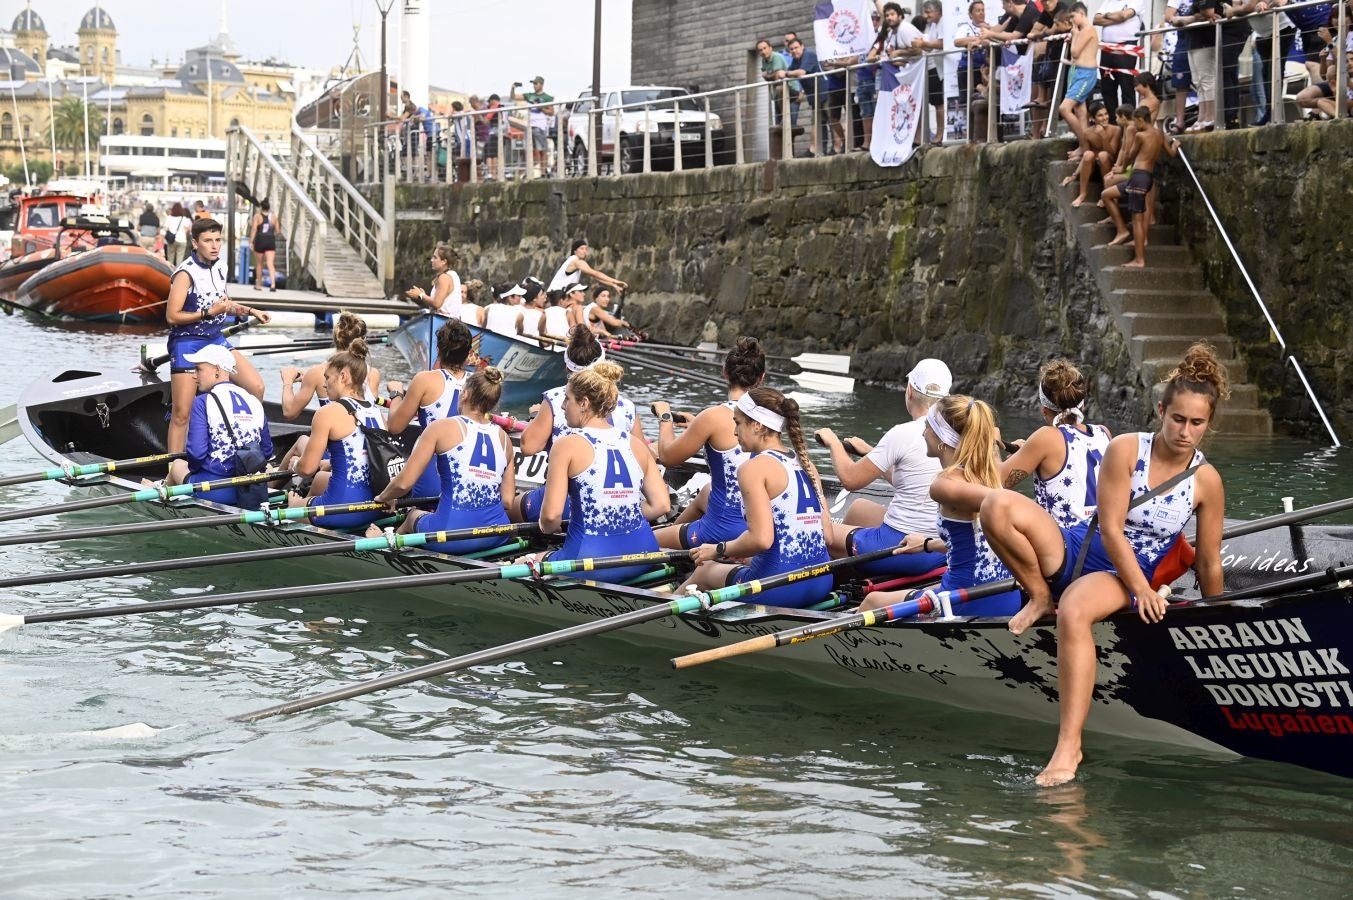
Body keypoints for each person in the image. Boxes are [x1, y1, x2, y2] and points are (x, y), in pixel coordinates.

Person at [980, 344, 1228, 786]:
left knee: (1074, 609)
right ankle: (1038, 594)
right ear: (1160, 410)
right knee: (997, 505)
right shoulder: (1126, 448)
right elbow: (1111, 529)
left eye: (1197, 423)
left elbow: (1208, 562)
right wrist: (1148, 592)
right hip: (1084, 545)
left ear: (1209, 423)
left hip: (1123, 574)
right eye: (1177, 419)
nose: (1185, 431)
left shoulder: (1207, 481)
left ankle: (1068, 746)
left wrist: (1220, 621)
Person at [856, 394, 1023, 616]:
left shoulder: (945, 485)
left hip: (963, 603)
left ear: (942, 438)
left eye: (927, 428)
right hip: (1004, 596)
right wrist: (928, 544)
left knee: (871, 601)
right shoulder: (988, 477)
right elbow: (976, 542)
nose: (924, 434)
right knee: (927, 588)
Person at [683, 388, 834, 608]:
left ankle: (662, 624)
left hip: (776, 587)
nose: (735, 432)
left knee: (705, 570)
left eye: (738, 423)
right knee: (747, 560)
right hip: (821, 582)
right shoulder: (806, 464)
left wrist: (717, 549)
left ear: (757, 425)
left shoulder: (752, 468)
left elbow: (761, 540)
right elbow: (827, 536)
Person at [525, 361, 668, 585]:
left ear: (583, 403)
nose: (562, 407)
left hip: (589, 560)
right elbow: (662, 505)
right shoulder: (636, 444)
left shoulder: (566, 445)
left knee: (526, 561)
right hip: (644, 554)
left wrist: (547, 527)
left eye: (567, 399)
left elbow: (551, 519)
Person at [816, 358, 950, 579]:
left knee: (816, 530)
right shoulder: (959, 432)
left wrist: (833, 443)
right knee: (859, 508)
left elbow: (850, 479)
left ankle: (835, 577)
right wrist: (870, 452)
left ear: (909, 392)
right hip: (937, 550)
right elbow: (906, 479)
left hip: (901, 548)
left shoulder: (903, 432)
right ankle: (850, 569)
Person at [374, 367, 516, 555]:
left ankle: (383, 548)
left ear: (464, 394)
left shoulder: (440, 428)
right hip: (496, 534)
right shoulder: (504, 438)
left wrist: (383, 498)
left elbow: (403, 483)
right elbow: (507, 501)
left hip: (450, 536)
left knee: (412, 517)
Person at [164, 218, 270, 455]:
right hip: (187, 342)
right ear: (195, 243)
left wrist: (252, 311)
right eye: (208, 241)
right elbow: (171, 316)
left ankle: (243, 447)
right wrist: (208, 312)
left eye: (218, 240)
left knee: (257, 387)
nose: (214, 246)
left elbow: (225, 304)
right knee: (182, 413)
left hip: (215, 340)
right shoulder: (185, 274)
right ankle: (174, 470)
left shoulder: (221, 266)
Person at [515, 325, 640, 520]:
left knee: (512, 505)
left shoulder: (556, 398)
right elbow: (643, 457)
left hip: (565, 501)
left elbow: (528, 447)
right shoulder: (627, 406)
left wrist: (535, 416)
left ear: (567, 367)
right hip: (616, 501)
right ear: (603, 363)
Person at [651, 337, 765, 550]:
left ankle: (669, 547)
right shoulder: (770, 417)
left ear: (725, 373)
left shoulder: (713, 417)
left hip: (723, 527)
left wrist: (665, 417)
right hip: (760, 525)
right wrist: (698, 427)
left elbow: (667, 457)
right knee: (706, 491)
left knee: (646, 543)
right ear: (761, 378)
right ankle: (675, 534)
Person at [286, 340, 390, 531]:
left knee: (292, 506)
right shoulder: (378, 413)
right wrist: (330, 463)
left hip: (341, 509)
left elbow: (307, 469)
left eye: (327, 377)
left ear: (343, 376)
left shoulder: (328, 412)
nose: (324, 384)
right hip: (377, 507)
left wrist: (295, 465)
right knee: (320, 480)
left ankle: (295, 506)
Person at [999, 359, 1112, 527]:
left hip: (1065, 544)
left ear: (1044, 410)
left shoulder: (1046, 438)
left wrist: (993, 446)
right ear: (1083, 406)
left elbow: (995, 482)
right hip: (1100, 538)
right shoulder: (1104, 433)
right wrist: (1028, 454)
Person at [164, 343, 273, 507]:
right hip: (250, 490)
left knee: (178, 465)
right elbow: (266, 451)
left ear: (217, 370)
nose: (194, 376)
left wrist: (196, 471)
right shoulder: (253, 401)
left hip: (215, 490)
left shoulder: (202, 402)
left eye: (198, 369)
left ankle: (162, 497)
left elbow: (196, 454)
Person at [1109, 107, 1179, 266]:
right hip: (1148, 178)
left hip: (1138, 176)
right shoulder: (1159, 134)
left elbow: (1129, 155)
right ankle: (1137, 255)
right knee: (1114, 199)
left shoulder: (1140, 135)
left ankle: (1139, 259)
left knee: (1137, 220)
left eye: (1136, 121)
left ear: (1140, 119)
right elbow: (1172, 154)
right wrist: (1176, 145)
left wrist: (1121, 167)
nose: (1135, 125)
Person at [385, 318, 473, 437]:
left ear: (438, 350)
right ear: (468, 354)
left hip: (432, 454)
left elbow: (394, 427)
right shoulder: (478, 383)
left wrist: (397, 394)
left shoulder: (424, 380)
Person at [1058, 3, 1100, 157]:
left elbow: (1074, 52)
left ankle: (1084, 143)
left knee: (1064, 108)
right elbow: (1074, 54)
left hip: (1085, 74)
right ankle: (1085, 147)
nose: (1072, 21)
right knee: (1080, 111)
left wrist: (1075, 35)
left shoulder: (1088, 30)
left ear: (1081, 14)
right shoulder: (1082, 31)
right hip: (1076, 72)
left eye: (1073, 17)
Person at [1094, 0, 1146, 119]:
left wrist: (1106, 16)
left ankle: (1128, 124)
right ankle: (1113, 124)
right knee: (1108, 89)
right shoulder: (1108, 2)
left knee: (1126, 87)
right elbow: (1096, 20)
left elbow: (1124, 15)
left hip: (1126, 48)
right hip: (1107, 49)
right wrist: (1116, 17)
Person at [1174, 0, 1219, 131]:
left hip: (1204, 41)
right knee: (1198, 82)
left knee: (1207, 80)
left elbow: (1207, 13)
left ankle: (1210, 116)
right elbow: (1175, 20)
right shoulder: (1194, 5)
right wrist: (1189, 18)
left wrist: (1187, 19)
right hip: (1192, 42)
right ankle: (1202, 117)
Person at [1063, 103, 1117, 207]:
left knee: (1103, 155)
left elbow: (1112, 153)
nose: (1104, 117)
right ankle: (1082, 194)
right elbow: (1086, 156)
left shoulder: (1115, 130)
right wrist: (1074, 175)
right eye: (1100, 115)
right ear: (1092, 118)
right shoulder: (1087, 133)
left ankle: (1105, 193)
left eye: (1106, 114)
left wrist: (1103, 136)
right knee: (1088, 154)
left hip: (1109, 164)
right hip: (1094, 166)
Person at [547, 238, 627, 293]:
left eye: (586, 249)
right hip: (555, 296)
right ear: (575, 251)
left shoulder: (575, 261)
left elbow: (597, 277)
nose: (584, 251)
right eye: (582, 248)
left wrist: (614, 285)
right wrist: (617, 281)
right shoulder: (576, 261)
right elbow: (596, 273)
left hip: (559, 295)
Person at [511, 76, 555, 177]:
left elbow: (551, 112)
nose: (534, 86)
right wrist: (513, 88)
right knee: (535, 150)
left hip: (540, 126)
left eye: (536, 83)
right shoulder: (529, 95)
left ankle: (543, 171)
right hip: (530, 126)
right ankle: (541, 172)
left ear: (541, 84)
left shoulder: (547, 97)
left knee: (542, 149)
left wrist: (541, 107)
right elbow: (514, 97)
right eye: (533, 84)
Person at [405, 243, 462, 318]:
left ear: (444, 261)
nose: (431, 260)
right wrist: (424, 296)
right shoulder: (452, 275)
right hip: (449, 323)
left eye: (435, 258)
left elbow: (437, 303)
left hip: (444, 324)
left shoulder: (444, 277)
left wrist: (420, 295)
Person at [249, 200, 280, 292]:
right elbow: (278, 232)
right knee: (270, 263)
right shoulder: (274, 217)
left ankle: (259, 285)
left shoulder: (257, 216)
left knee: (259, 264)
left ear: (261, 208)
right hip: (270, 241)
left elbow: (254, 229)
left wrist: (251, 241)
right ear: (269, 207)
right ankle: (273, 284)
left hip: (260, 240)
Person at [162, 202, 191, 267]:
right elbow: (188, 230)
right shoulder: (184, 219)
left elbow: (165, 229)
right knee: (180, 260)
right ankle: (178, 274)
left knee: (170, 259)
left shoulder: (169, 218)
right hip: (182, 240)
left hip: (171, 240)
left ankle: (169, 273)